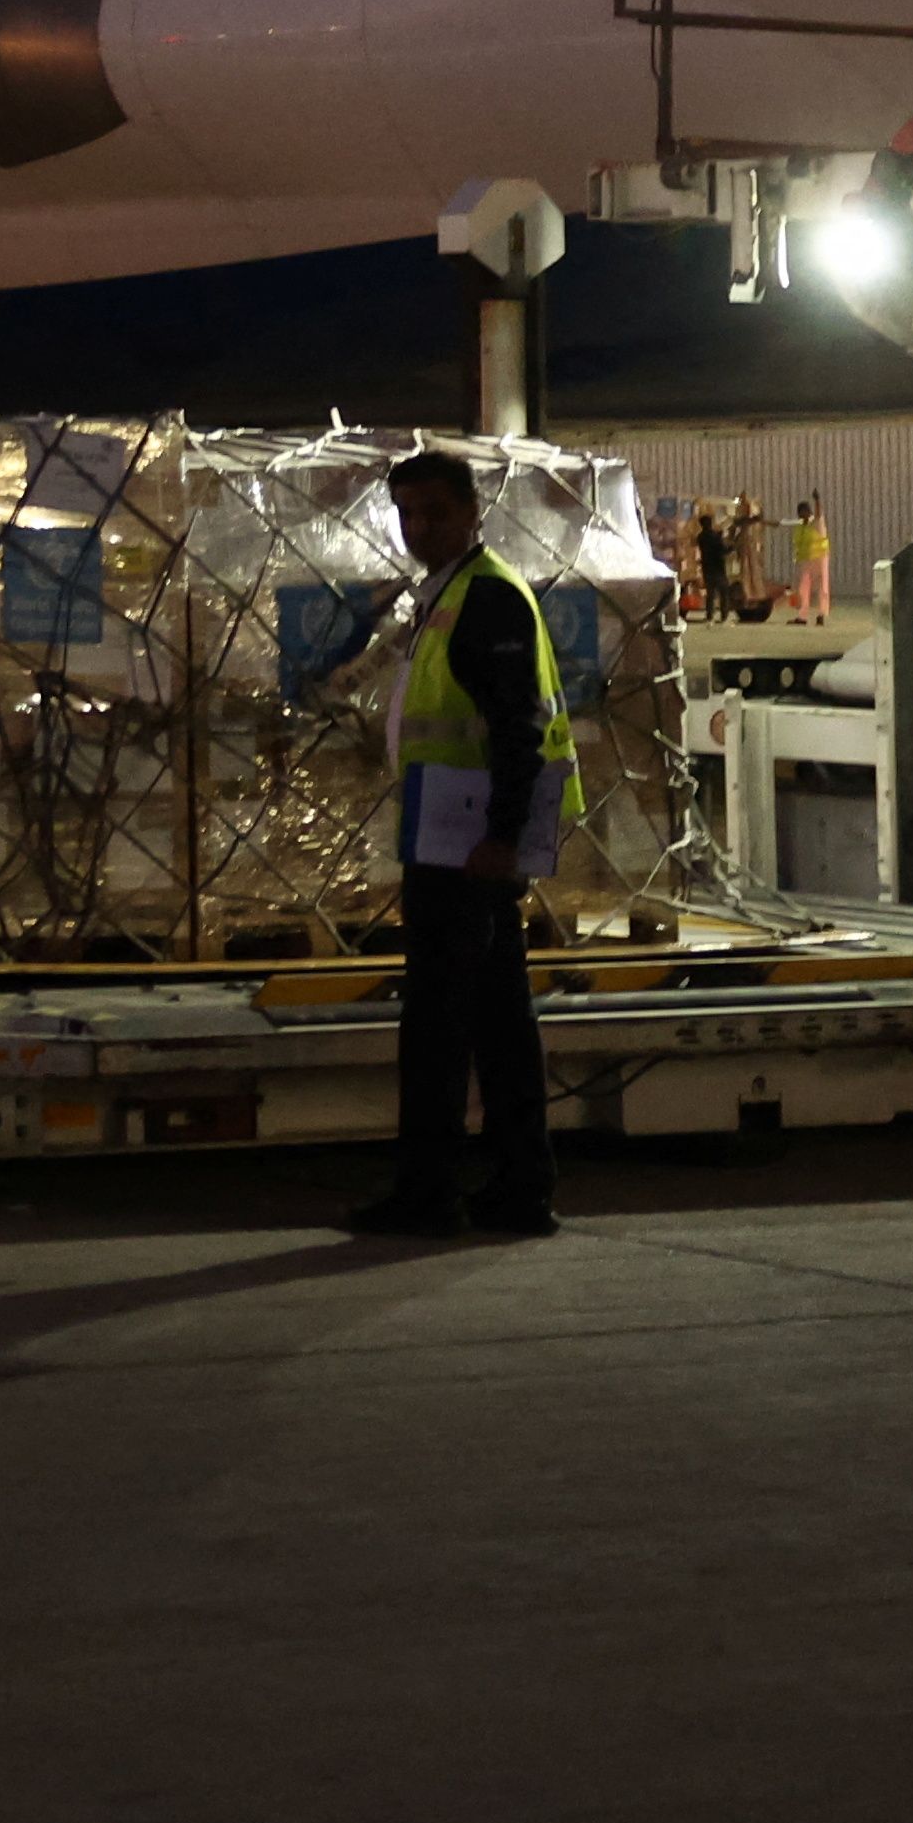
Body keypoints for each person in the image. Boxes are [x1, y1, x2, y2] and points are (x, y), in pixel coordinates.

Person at [350, 446, 577, 1240]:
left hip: (469, 842)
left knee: (442, 1027)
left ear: (473, 511)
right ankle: (519, 1187)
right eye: (407, 514)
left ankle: (433, 1192)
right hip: (450, 833)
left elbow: (520, 725)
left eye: (434, 513)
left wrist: (500, 837)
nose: (419, 529)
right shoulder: (449, 593)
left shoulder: (487, 598)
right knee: (493, 1018)